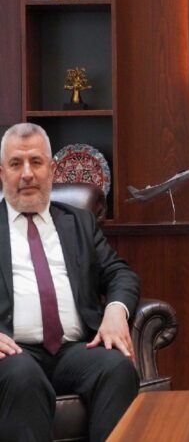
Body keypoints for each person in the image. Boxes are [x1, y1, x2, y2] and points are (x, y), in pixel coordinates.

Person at [0, 123, 140, 441]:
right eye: (16, 164)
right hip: (12, 353)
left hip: (73, 350)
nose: (27, 174)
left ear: (52, 170)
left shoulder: (78, 221)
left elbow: (120, 273)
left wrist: (115, 311)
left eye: (36, 162)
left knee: (117, 367)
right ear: (2, 174)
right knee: (23, 375)